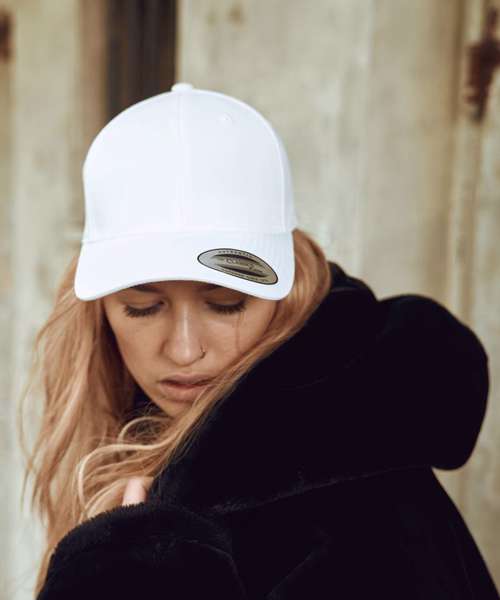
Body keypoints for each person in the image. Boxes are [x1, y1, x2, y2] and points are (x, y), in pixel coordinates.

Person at [20, 83, 499, 599]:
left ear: (287, 294)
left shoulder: (355, 515)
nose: (184, 349)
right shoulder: (154, 443)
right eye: (142, 306)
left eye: (226, 303)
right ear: (98, 312)